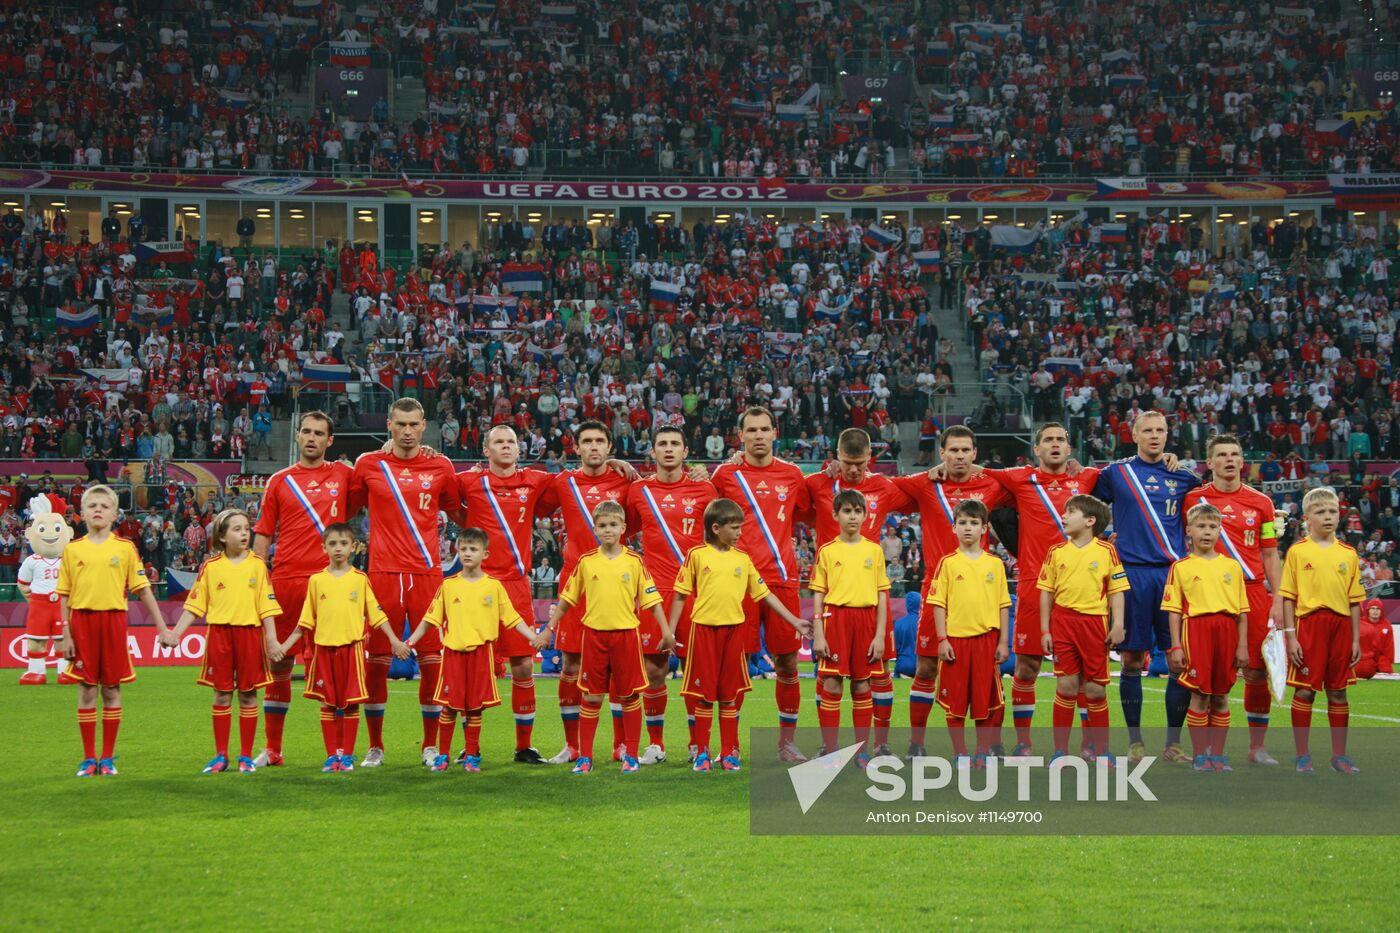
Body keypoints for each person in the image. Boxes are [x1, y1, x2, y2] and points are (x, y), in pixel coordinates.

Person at [348, 398, 461, 767]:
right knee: (377, 660)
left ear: (424, 426)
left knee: (432, 659)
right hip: (381, 573)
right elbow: (346, 506)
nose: (408, 431)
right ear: (389, 424)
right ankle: (375, 746)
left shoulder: (440, 465)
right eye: (401, 424)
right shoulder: (368, 464)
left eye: (414, 425)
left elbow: (458, 506)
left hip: (428, 574)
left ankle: (430, 745)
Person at [1091, 411, 1199, 763]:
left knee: (1178, 661)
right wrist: (1105, 539)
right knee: (1132, 659)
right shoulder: (1116, 474)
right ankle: (1135, 741)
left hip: (1172, 574)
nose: (1154, 436)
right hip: (1131, 574)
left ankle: (1173, 744)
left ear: (1168, 436)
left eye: (1160, 431)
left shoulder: (1183, 478)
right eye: (1147, 430)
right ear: (1133, 435)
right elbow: (1087, 506)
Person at [251, 411, 355, 767]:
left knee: (334, 670)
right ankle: (273, 749)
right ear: (297, 437)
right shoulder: (279, 481)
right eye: (306, 432)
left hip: (330, 586)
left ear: (330, 441)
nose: (311, 438)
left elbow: (379, 476)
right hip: (286, 582)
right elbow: (264, 533)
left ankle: (339, 752)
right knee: (277, 665)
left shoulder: (344, 475)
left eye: (319, 433)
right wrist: (258, 581)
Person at [673, 498, 808, 772]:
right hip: (703, 632)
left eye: (740, 527)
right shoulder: (696, 556)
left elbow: (765, 595)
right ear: (715, 528)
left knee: (729, 694)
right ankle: (702, 752)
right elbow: (680, 594)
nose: (739, 533)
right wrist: (668, 629)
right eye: (734, 528)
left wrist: (794, 620)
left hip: (734, 632)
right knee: (704, 695)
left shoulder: (743, 560)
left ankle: (728, 753)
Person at [710, 406, 813, 761]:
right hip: (737, 583)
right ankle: (730, 744)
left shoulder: (793, 474)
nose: (757, 435)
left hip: (782, 580)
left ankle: (787, 743)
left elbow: (816, 504)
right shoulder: (724, 475)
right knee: (734, 663)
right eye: (751, 430)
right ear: (740, 436)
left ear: (774, 433)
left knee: (787, 663)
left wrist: (831, 470)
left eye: (764, 429)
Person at [453, 424, 560, 764]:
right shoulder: (468, 481)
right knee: (470, 667)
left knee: (524, 666)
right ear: (486, 450)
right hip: (476, 584)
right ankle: (470, 748)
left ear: (519, 448)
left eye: (511, 441)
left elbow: (575, 480)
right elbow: (443, 496)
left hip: (514, 584)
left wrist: (618, 462)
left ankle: (523, 746)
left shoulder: (536, 480)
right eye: (498, 442)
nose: (505, 446)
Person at [403, 529, 549, 773]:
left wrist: (533, 637)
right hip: (453, 655)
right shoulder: (448, 585)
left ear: (485, 554)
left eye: (473, 549)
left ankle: (472, 755)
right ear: (458, 552)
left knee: (474, 708)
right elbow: (430, 618)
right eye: (463, 549)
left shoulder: (493, 586)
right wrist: (410, 642)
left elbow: (512, 618)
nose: (467, 553)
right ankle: (443, 756)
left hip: (481, 654)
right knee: (449, 706)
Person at [806, 428, 913, 757]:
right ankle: (831, 748)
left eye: (860, 463)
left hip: (867, 604)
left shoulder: (883, 487)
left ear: (871, 459)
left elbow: (918, 490)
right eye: (847, 462)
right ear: (836, 455)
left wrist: (936, 470)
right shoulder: (818, 484)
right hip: (836, 601)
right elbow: (785, 487)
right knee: (830, 681)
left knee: (876, 680)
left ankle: (876, 745)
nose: (853, 469)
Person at [546, 501, 673, 775]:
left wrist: (666, 631)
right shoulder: (586, 562)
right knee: (592, 697)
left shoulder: (635, 561)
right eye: (602, 526)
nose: (607, 530)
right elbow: (567, 599)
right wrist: (549, 628)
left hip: (626, 636)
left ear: (623, 528)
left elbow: (652, 600)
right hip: (594, 637)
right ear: (595, 529)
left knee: (628, 696)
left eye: (613, 525)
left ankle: (631, 755)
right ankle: (586, 757)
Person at [273, 524, 407, 772]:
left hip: (352, 650)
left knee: (351, 703)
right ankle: (331, 756)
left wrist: (394, 641)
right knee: (327, 703)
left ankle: (346, 756)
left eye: (343, 543)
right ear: (324, 548)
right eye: (333, 544)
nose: (338, 548)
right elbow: (304, 622)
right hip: (324, 650)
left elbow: (376, 614)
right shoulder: (316, 581)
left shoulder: (360, 579)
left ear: (352, 547)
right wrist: (284, 646)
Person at [1183, 434, 1284, 765]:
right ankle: (1206, 750)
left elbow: (1270, 554)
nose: (1229, 460)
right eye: (1222, 455)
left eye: (1235, 454)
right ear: (1209, 463)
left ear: (1243, 462)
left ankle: (1257, 748)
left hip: (1251, 591)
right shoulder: (1193, 500)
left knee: (1256, 672)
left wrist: (1279, 596)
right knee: (1207, 677)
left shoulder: (1262, 503)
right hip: (1205, 593)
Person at [56, 485, 169, 777]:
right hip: (81, 623)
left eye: (104, 506)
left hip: (114, 622)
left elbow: (142, 591)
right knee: (86, 689)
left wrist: (162, 627)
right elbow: (65, 594)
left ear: (114, 514)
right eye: (91, 505)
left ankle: (106, 759)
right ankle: (87, 758)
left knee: (112, 689)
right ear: (81, 513)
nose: (97, 510)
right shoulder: (72, 550)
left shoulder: (125, 548)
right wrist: (65, 633)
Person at [546, 421, 636, 765]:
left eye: (600, 441)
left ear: (609, 447)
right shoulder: (562, 482)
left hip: (616, 583)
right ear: (576, 447)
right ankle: (572, 746)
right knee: (570, 663)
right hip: (575, 582)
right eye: (587, 441)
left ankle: (621, 745)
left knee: (617, 665)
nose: (594, 446)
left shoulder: (626, 481)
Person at [625, 425, 717, 763]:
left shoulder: (705, 489)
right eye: (661, 444)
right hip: (655, 592)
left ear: (685, 451)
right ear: (652, 452)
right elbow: (624, 528)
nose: (668, 449)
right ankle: (657, 744)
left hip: (696, 591)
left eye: (674, 444)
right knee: (653, 670)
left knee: (698, 670)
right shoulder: (638, 491)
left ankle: (697, 743)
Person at [165, 509, 281, 774]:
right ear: (222, 536)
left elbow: (267, 607)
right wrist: (175, 634)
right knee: (221, 694)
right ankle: (221, 756)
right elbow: (194, 606)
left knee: (249, 695)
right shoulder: (211, 567)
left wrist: (272, 640)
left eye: (246, 529)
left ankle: (245, 757)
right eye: (237, 529)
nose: (244, 533)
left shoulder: (258, 565)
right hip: (220, 635)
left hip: (250, 636)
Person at [1279, 487, 1364, 775]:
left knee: (1338, 692)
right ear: (1307, 518)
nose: (1328, 517)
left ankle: (1339, 756)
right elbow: (1288, 597)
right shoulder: (1298, 552)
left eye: (1332, 512)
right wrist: (1291, 636)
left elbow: (1355, 602)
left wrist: (1355, 639)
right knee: (1305, 692)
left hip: (1341, 628)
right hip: (1309, 626)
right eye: (1320, 512)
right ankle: (1302, 755)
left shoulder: (1349, 554)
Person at [1037, 494, 1128, 763]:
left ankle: (1102, 751)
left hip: (1095, 624)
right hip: (1063, 623)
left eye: (1071, 512)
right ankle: (1060, 753)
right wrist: (1045, 630)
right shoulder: (1056, 552)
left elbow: (1117, 591)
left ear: (1090, 520)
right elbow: (1046, 593)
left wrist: (1118, 624)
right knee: (1066, 687)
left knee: (1095, 691)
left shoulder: (1107, 551)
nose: (1063, 517)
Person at [1161, 503, 1249, 773]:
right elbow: (1174, 611)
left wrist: (1242, 645)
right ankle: (1200, 756)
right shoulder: (1181, 567)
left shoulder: (1232, 567)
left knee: (1221, 696)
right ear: (1189, 531)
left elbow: (1242, 612)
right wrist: (1176, 646)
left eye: (1212, 526)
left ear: (1220, 531)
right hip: (1196, 631)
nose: (1207, 532)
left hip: (1226, 631)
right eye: (1201, 526)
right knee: (1199, 695)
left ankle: (1218, 756)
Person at [927, 499, 1011, 766]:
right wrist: (942, 639)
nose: (968, 528)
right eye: (962, 522)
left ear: (984, 528)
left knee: (986, 700)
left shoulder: (995, 564)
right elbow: (938, 604)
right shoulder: (947, 563)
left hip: (987, 642)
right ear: (953, 528)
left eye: (974, 523)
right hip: (957, 642)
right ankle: (960, 752)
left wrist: (1004, 642)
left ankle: (982, 752)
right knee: (956, 701)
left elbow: (1003, 605)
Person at [810, 490, 890, 767]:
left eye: (858, 511)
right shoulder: (827, 551)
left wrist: (880, 635)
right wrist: (818, 632)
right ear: (835, 515)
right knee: (832, 684)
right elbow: (819, 593)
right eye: (847, 511)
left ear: (866, 515)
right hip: (836, 620)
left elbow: (882, 595)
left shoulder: (874, 550)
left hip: (866, 621)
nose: (852, 516)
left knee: (862, 685)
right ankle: (831, 751)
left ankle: (861, 751)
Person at [17, 494, 76, 685]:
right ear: (30, 533)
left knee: (62, 639)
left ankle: (64, 671)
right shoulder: (31, 561)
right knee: (35, 639)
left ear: (68, 532)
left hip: (61, 603)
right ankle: (36, 671)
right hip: (39, 604)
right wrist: (32, 600)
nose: (50, 534)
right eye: (42, 529)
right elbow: (23, 583)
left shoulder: (68, 559)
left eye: (57, 529)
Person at [1355, 598, 1394, 679]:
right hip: (1364, 656)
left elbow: (1389, 646)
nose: (1375, 611)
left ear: (1381, 611)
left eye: (1378, 609)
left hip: (1379, 656)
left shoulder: (1386, 625)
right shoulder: (1360, 622)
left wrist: (1388, 661)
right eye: (1372, 608)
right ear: (1368, 610)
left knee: (1386, 669)